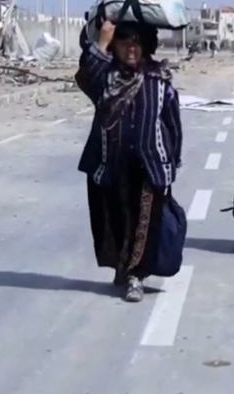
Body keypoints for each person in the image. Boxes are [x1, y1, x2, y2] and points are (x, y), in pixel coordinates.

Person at [76, 19, 183, 302]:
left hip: (150, 163)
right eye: (124, 42)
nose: (131, 48)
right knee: (115, 220)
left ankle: (137, 275)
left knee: (144, 222)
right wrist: (102, 40)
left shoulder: (160, 81)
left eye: (136, 42)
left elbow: (172, 123)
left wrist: (173, 162)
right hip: (109, 162)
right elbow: (85, 77)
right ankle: (123, 266)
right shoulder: (106, 78)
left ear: (146, 45)